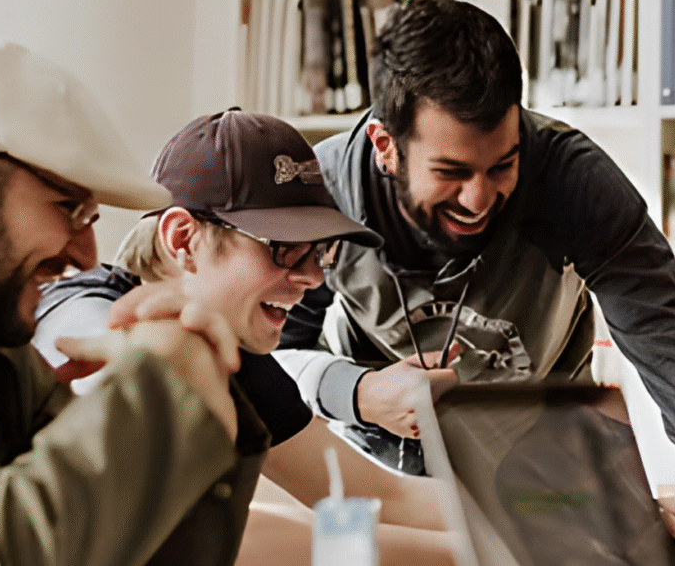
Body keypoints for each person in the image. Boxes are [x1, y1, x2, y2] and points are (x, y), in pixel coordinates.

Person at [274, 0, 675, 531]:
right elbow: (269, 362)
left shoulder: (573, 180)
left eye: (502, 165)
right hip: (383, 477)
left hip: (547, 471)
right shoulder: (322, 193)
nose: (478, 200)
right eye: (451, 172)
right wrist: (358, 393)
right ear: (386, 145)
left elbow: (672, 347)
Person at [33, 109, 456, 566]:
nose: (314, 277)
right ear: (183, 239)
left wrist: (532, 510)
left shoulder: (230, 351)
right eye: (286, 248)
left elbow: (383, 495)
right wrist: (475, 556)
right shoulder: (80, 311)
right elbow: (212, 535)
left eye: (321, 251)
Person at [0, 32, 255, 565]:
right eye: (67, 208)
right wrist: (166, 385)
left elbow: (130, 548)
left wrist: (204, 396)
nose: (88, 257)